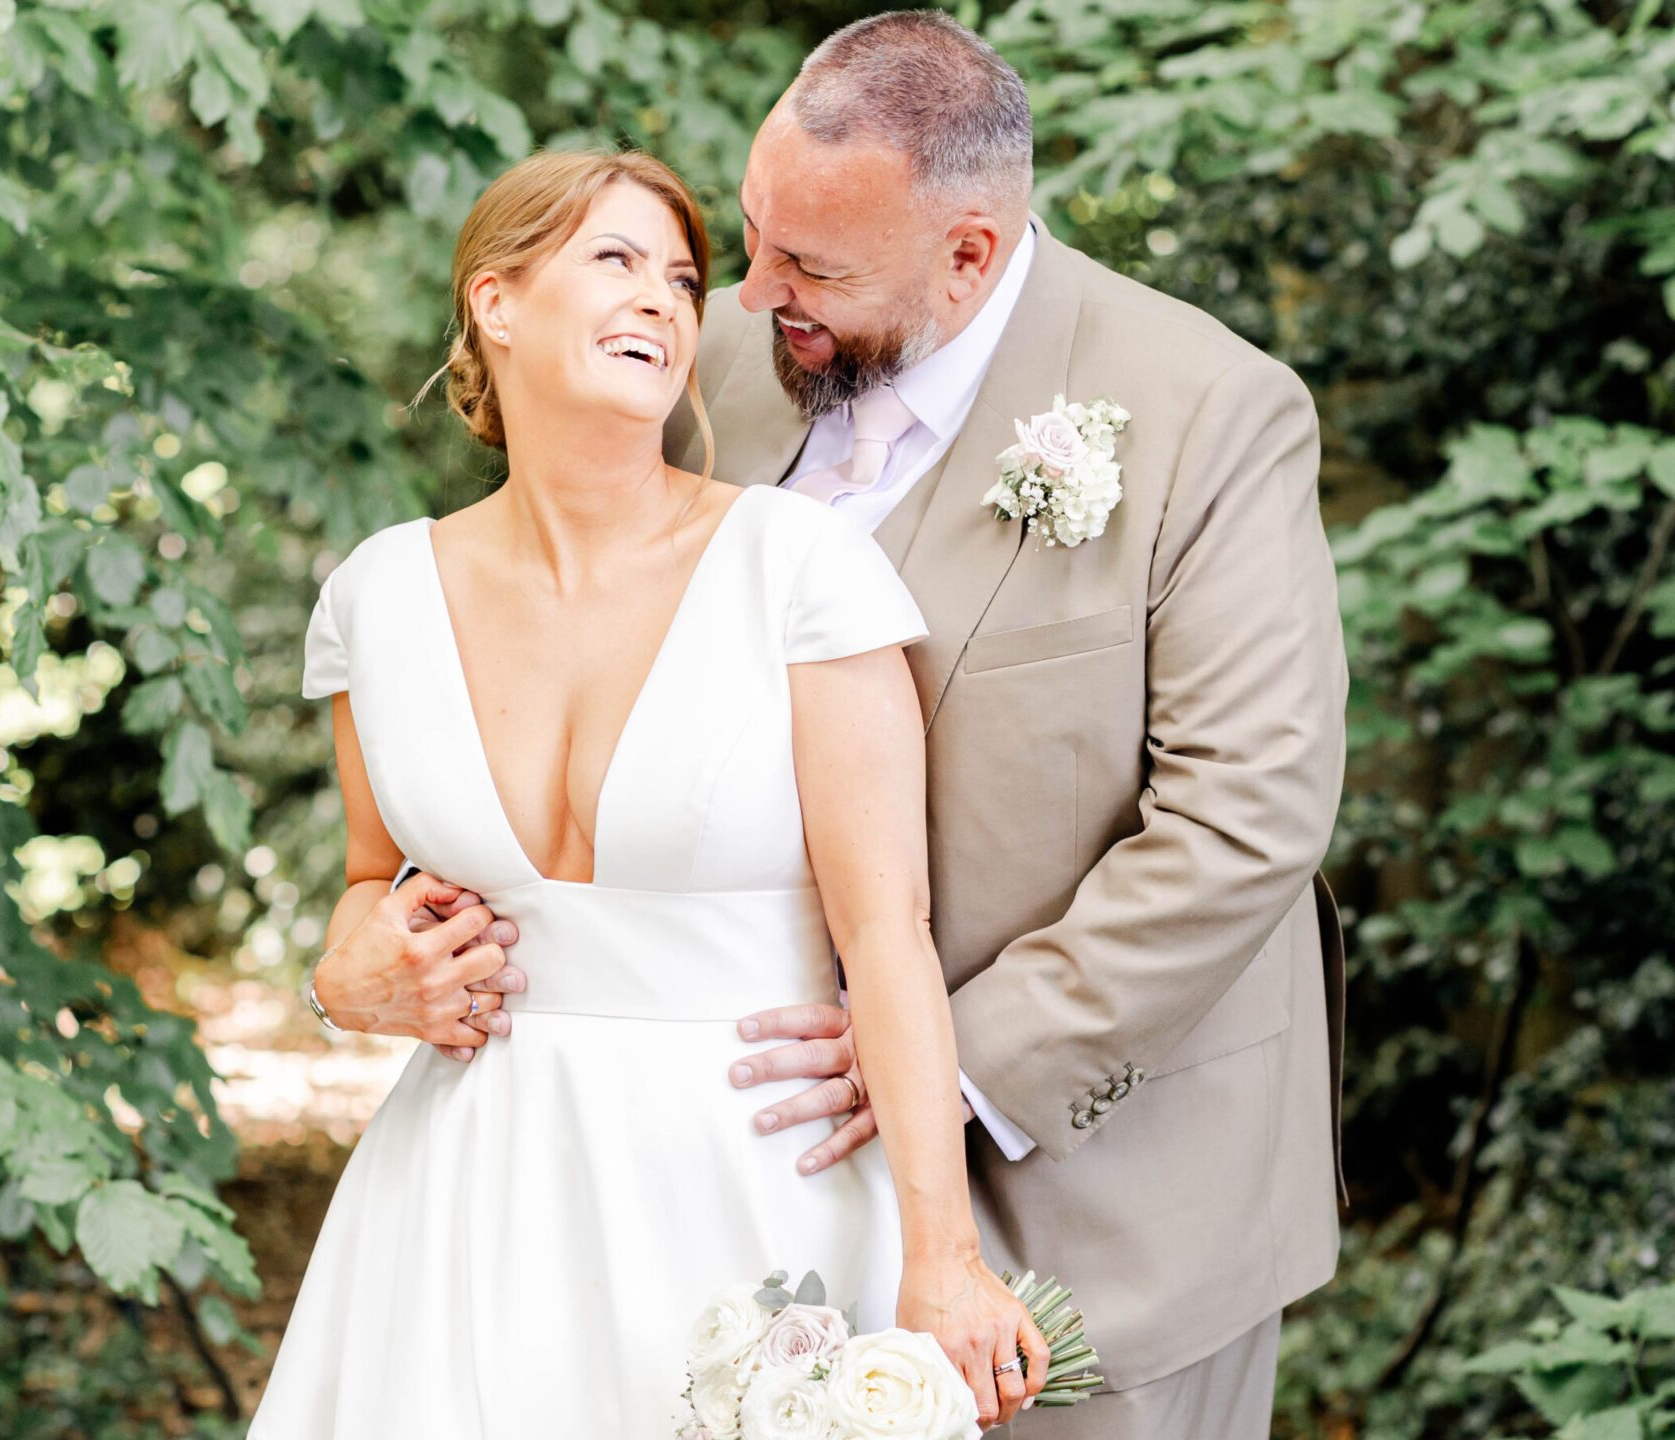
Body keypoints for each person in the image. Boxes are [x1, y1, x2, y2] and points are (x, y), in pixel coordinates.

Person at [248, 148, 1049, 1439]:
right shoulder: (377, 598)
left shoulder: (797, 569)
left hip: (748, 1192)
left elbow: (885, 935)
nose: (665, 302)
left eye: (682, 278)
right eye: (613, 261)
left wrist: (941, 1253)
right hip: (466, 1203)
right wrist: (347, 978)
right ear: (496, 305)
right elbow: (366, 889)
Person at [662, 14, 1349, 1440]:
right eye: (751, 235)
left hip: (1103, 1218)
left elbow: (1246, 820)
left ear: (968, 253)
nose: (750, 293)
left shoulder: (1207, 414)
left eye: (812, 268)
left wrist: (942, 1064)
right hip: (743, 1194)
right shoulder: (729, 381)